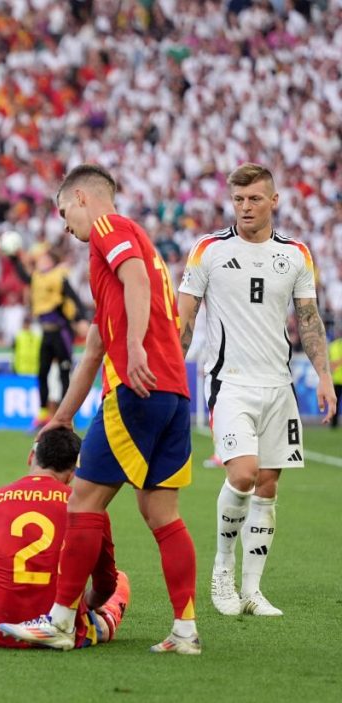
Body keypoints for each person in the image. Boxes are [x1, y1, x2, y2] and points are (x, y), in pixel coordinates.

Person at [0, 165, 200, 654]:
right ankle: (185, 630)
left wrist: (133, 346)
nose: (65, 223)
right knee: (162, 514)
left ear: (83, 198)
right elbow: (92, 349)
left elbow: (135, 283)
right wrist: (62, 417)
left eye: (64, 210)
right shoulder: (137, 253)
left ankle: (61, 622)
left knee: (83, 502)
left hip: (136, 389)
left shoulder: (111, 231)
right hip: (173, 397)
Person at [177, 163, 338, 617]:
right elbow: (184, 317)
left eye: (254, 199)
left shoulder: (297, 254)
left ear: (274, 201)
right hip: (230, 382)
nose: (245, 207)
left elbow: (308, 320)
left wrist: (323, 376)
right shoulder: (207, 250)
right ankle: (222, 571)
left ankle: (253, 591)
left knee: (268, 485)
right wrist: (172, 364)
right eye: (239, 199)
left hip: (279, 385)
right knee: (243, 474)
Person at [0, 427, 131, 649]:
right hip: (63, 627)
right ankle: (103, 620)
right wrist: (87, 605)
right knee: (120, 580)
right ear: (74, 473)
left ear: (32, 456)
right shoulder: (89, 508)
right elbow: (106, 583)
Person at [9, 243, 85, 425]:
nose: (40, 262)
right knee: (42, 372)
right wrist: (13, 258)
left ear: (52, 261)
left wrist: (81, 318)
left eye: (44, 259)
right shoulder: (37, 278)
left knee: (64, 373)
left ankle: (67, 415)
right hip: (46, 332)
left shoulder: (59, 276)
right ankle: (43, 413)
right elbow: (24, 277)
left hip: (62, 332)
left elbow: (73, 297)